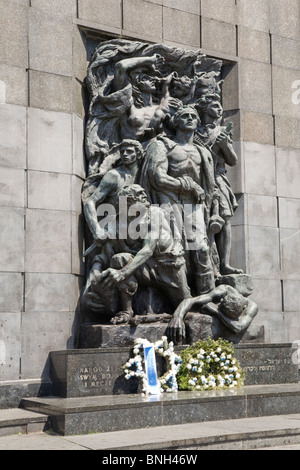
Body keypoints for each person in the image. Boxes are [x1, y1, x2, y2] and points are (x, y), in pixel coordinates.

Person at [86, 184, 192, 324]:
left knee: (186, 307)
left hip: (170, 268)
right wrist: (92, 279)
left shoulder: (155, 213)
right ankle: (126, 311)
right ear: (127, 203)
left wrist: (122, 273)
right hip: (145, 269)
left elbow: (148, 249)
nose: (144, 198)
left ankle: (166, 315)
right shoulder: (119, 223)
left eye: (143, 194)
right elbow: (104, 255)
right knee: (119, 259)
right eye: (138, 196)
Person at [141, 105, 216, 295]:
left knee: (201, 248)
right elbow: (157, 177)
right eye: (185, 116)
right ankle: (181, 297)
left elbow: (209, 185)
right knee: (173, 250)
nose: (190, 118)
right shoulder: (163, 145)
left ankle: (208, 297)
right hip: (167, 199)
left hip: (194, 204)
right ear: (175, 122)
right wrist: (187, 185)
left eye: (193, 116)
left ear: (198, 122)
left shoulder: (203, 152)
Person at [195, 94, 243, 275]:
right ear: (205, 108)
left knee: (224, 219)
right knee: (203, 222)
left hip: (218, 177)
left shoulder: (222, 131)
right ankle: (209, 265)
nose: (219, 108)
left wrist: (225, 145)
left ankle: (224, 263)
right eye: (214, 105)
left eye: (220, 105)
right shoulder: (195, 131)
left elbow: (233, 161)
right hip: (199, 178)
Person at [83, 139, 144, 243]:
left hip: (140, 226)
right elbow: (90, 202)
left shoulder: (144, 174)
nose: (125, 154)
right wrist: (96, 230)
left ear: (138, 155)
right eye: (122, 152)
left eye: (129, 151)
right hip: (116, 230)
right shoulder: (114, 176)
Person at [166, 284, 258, 345]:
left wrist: (217, 312)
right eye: (221, 304)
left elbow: (238, 328)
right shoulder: (223, 291)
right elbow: (190, 300)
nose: (219, 304)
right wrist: (177, 316)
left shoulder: (252, 308)